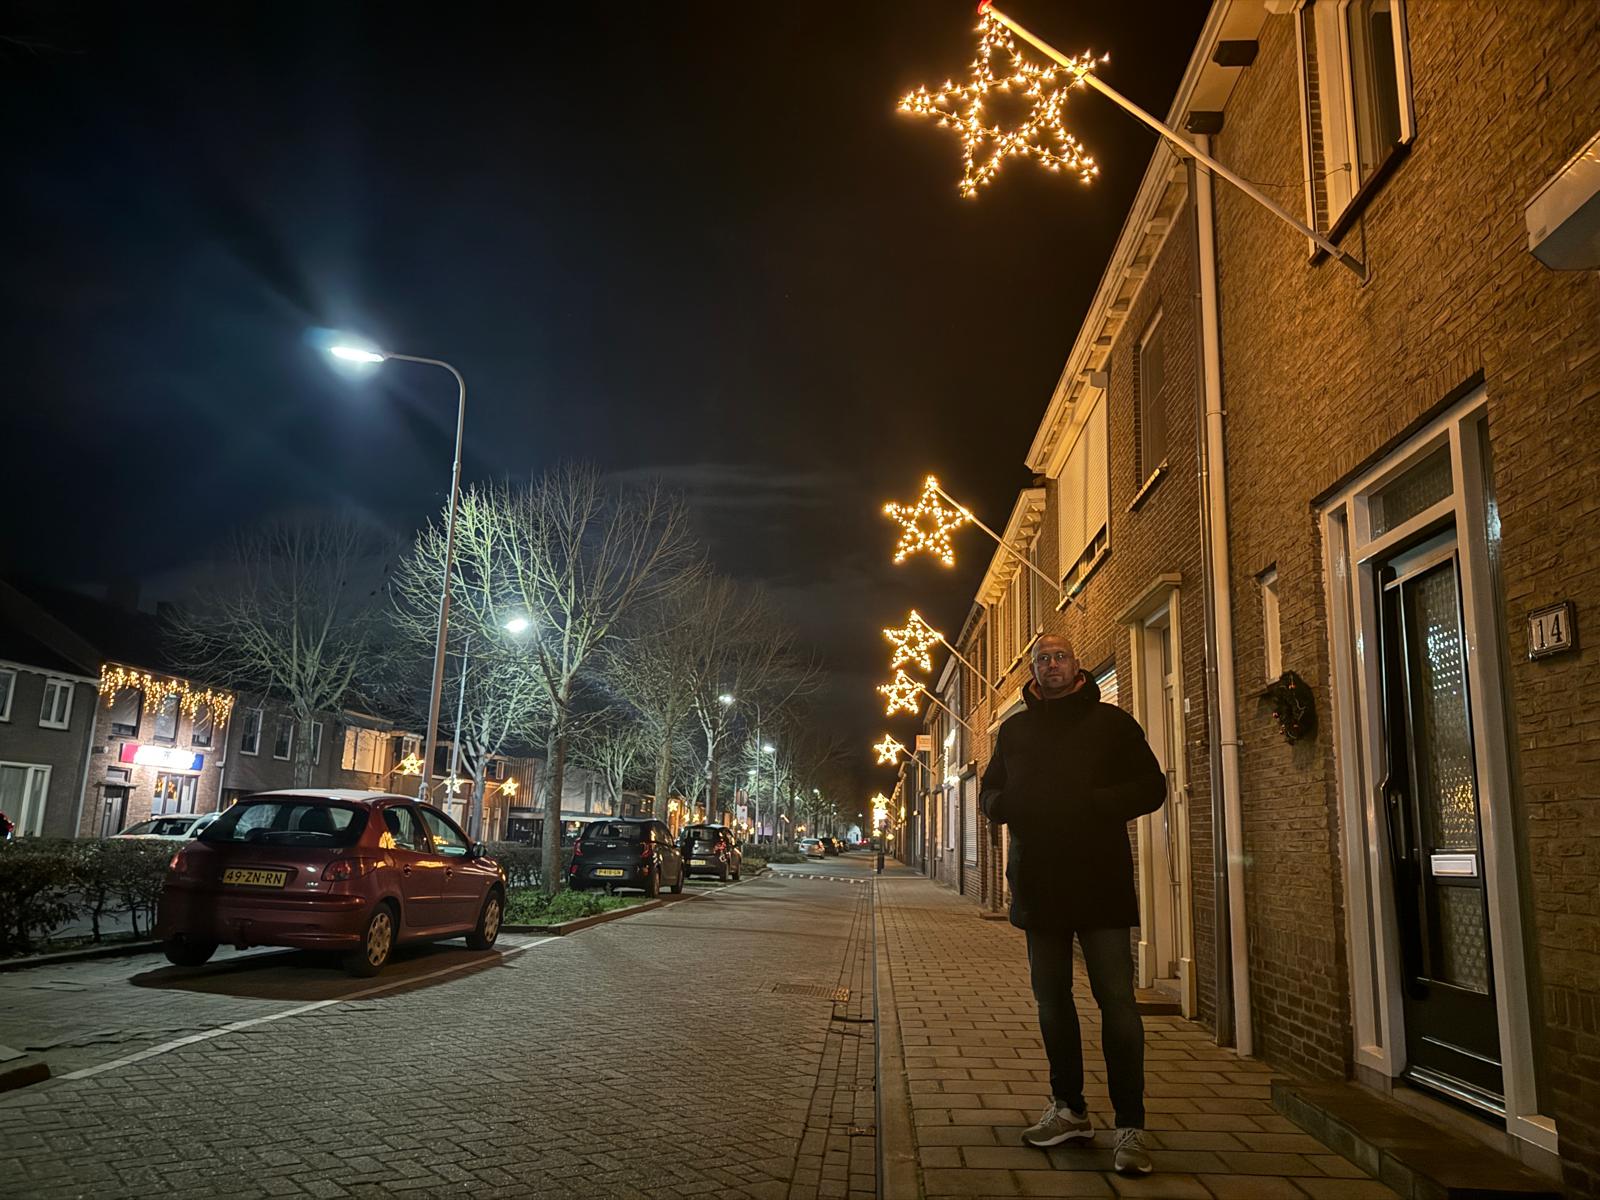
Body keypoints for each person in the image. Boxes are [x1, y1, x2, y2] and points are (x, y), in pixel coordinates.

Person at [979, 633, 1166, 1176]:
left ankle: (1130, 1126)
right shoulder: (1014, 730)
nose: (1051, 665)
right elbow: (990, 793)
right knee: (1051, 1001)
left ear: (1076, 665)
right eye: (1042, 659)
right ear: (1033, 671)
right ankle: (1070, 1110)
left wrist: (1094, 804)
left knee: (1118, 1001)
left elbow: (1151, 786)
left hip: (1101, 881)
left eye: (1060, 656)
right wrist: (1006, 805)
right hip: (1039, 882)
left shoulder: (1113, 725)